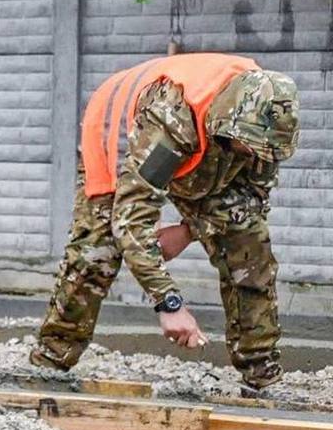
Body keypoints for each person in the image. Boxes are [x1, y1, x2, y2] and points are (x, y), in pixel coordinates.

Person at [29, 53, 299, 391]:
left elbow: (251, 202)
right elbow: (131, 218)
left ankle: (262, 374)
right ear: (226, 125)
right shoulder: (172, 121)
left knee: (249, 245)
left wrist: (189, 232)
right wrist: (169, 303)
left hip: (202, 149)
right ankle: (49, 362)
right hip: (124, 139)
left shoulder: (265, 123)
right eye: (249, 148)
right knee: (96, 253)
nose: (256, 158)